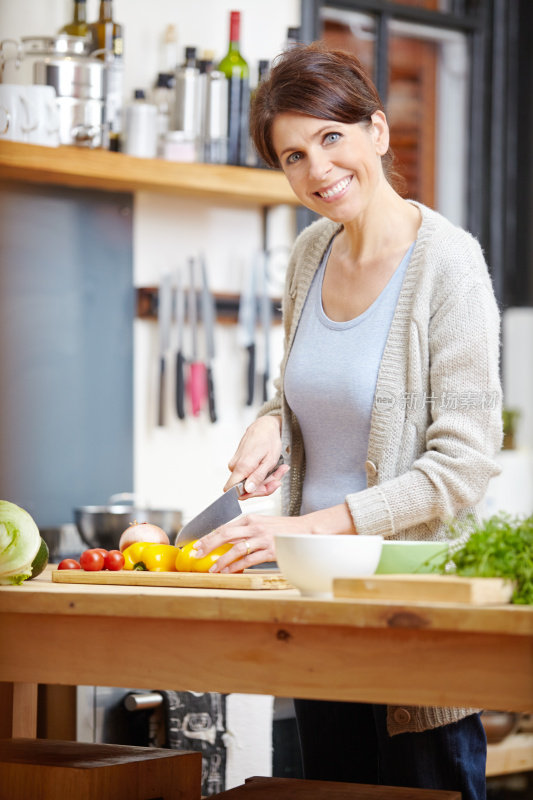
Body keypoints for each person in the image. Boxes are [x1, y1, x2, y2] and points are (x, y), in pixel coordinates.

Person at [191, 43, 502, 798]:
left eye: (331, 137)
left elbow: (461, 467)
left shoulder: (448, 266)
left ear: (378, 131)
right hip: (312, 606)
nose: (317, 169)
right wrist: (271, 424)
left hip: (408, 615)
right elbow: (302, 393)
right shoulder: (309, 252)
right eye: (293, 155)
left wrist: (304, 528)